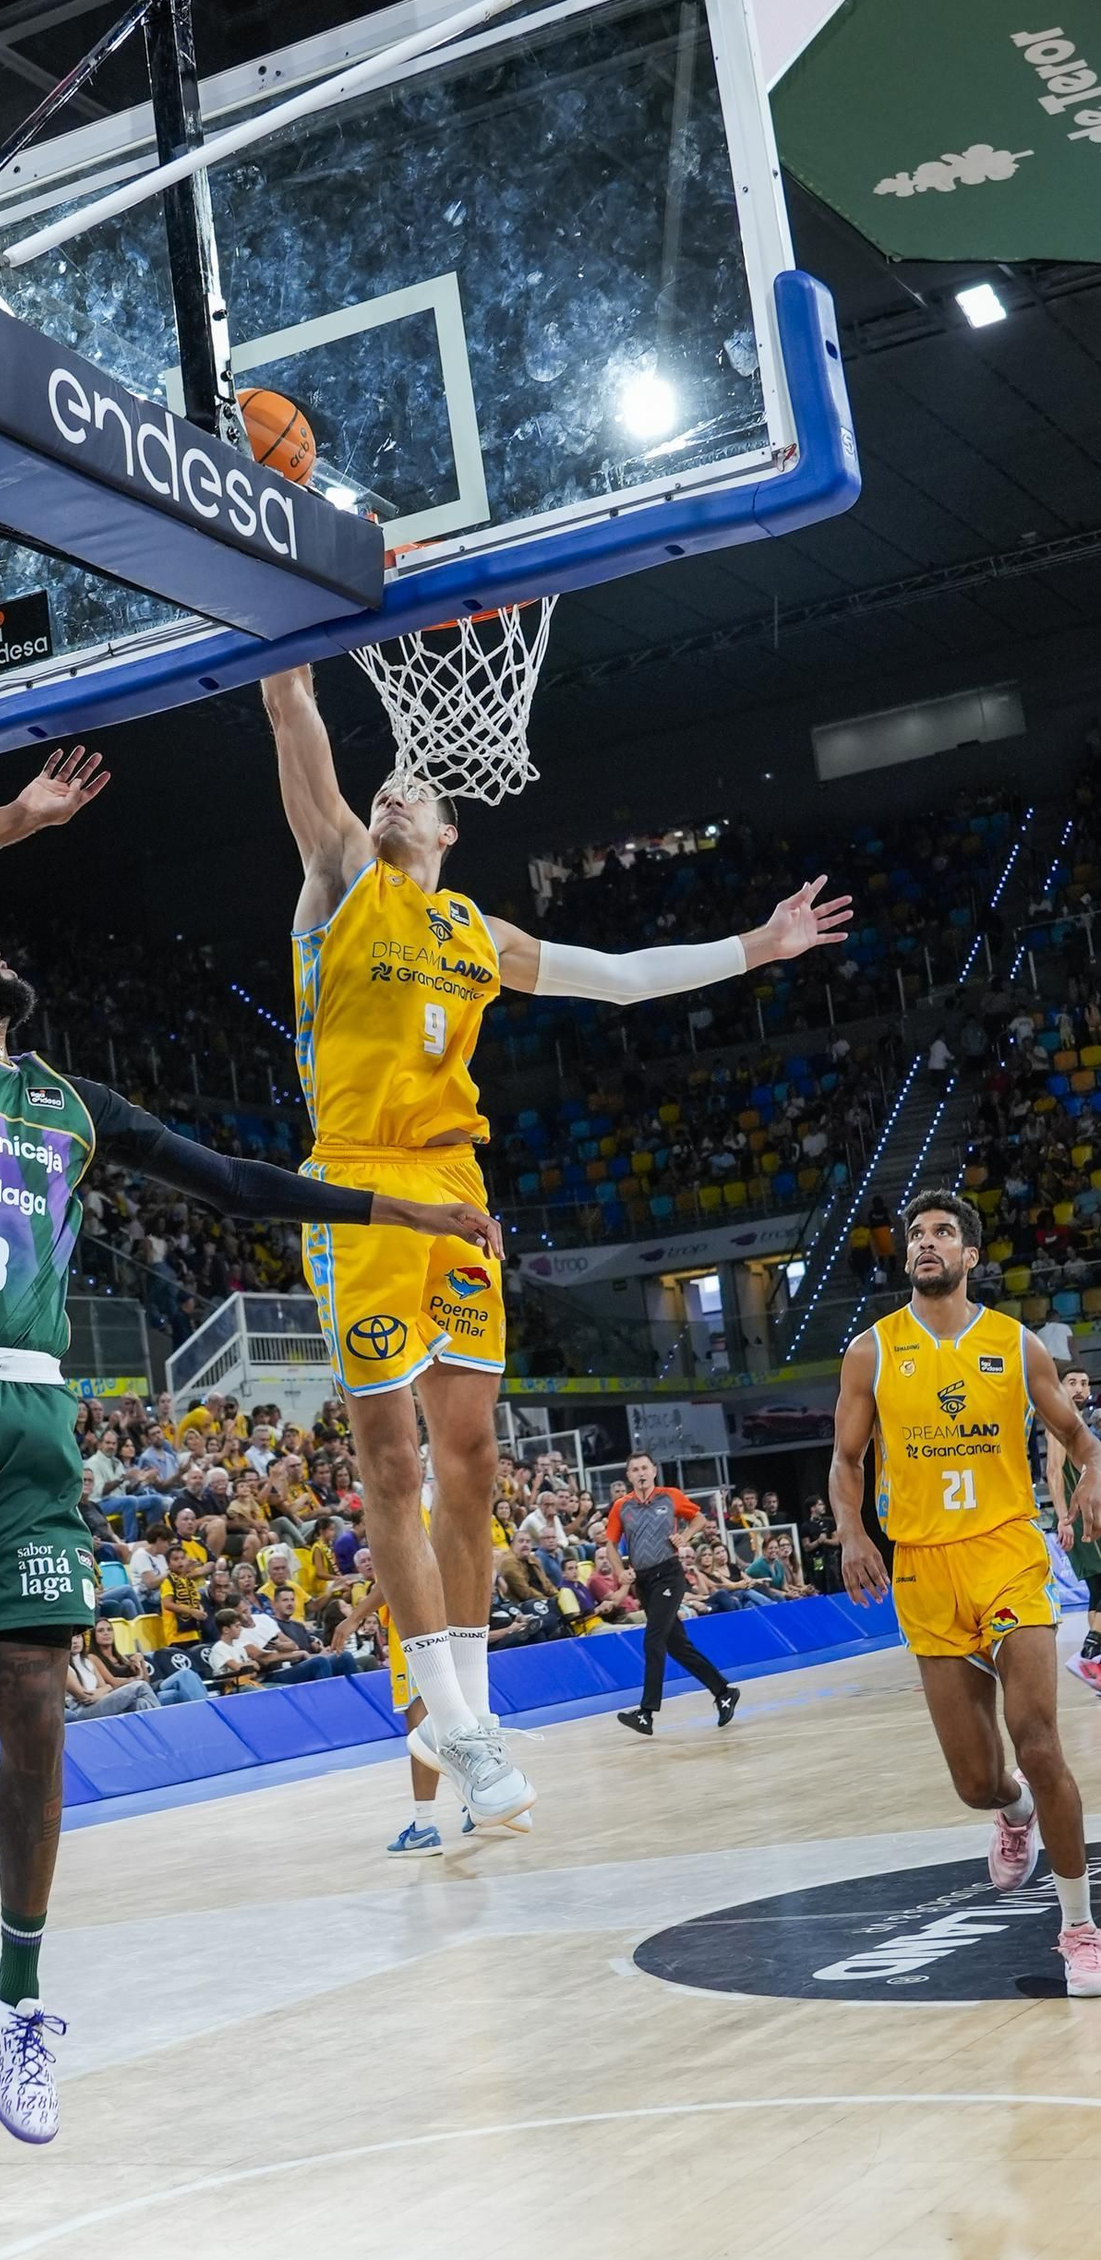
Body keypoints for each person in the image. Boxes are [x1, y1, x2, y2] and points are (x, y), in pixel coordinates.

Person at [0, 744, 507, 2160]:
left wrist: (408, 1216)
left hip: (30, 1412)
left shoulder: (74, 1110)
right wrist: (18, 822)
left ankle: (16, 1997)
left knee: (38, 1706)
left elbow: (247, 1180)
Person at [262, 664, 846, 1827]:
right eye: (381, 788)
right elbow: (295, 722)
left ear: (449, 827)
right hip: (356, 1187)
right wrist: (287, 656)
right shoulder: (338, 881)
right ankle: (459, 1725)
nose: (390, 797)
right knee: (390, 1459)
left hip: (456, 1185)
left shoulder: (477, 934)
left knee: (470, 1457)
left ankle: (462, 1718)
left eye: (412, 792)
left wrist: (758, 947)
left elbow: (623, 983)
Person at [832, 1190, 1101, 1996]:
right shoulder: (870, 1352)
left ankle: (1079, 1929)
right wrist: (851, 1533)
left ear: (970, 1257)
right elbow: (846, 1463)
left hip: (1007, 1554)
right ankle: (1010, 1811)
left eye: (943, 1233)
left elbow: (1078, 1435)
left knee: (1038, 1736)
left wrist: (1093, 1476)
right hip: (922, 1568)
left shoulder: (1015, 1346)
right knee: (976, 1780)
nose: (926, 1243)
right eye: (917, 1234)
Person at [607, 1454, 740, 1737]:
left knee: (653, 1640)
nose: (640, 1473)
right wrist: (620, 1571)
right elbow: (610, 1544)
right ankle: (724, 1692)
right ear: (628, 1475)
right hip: (643, 1581)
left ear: (654, 1471)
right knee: (677, 1646)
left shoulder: (671, 1497)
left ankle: (647, 1713)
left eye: (644, 1467)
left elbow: (700, 1518)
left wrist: (686, 1535)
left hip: (668, 1575)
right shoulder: (621, 1506)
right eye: (634, 1469)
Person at [1050, 1365, 1101, 1684]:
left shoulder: (1078, 1423)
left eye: (1084, 1383)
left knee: (1098, 1593)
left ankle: (1093, 1663)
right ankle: (1086, 1656)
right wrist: (1062, 1519)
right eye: (1072, 1383)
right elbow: (1053, 1473)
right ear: (1060, 1387)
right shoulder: (1061, 1422)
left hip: (1089, 1519)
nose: (1080, 1388)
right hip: (1085, 1522)